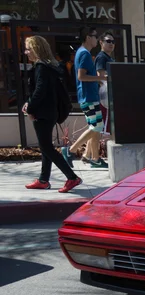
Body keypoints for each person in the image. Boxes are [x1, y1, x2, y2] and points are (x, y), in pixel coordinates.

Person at [22, 36, 82, 193]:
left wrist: (30, 108)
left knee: (46, 147)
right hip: (50, 112)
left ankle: (72, 177)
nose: (26, 52)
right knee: (45, 146)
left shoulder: (41, 67)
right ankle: (43, 179)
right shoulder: (49, 67)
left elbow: (39, 91)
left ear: (36, 49)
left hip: (43, 113)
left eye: (28, 48)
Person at [61, 26, 108, 168]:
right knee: (96, 126)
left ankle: (94, 158)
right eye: (95, 36)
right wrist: (100, 78)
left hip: (89, 96)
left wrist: (100, 80)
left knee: (96, 127)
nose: (97, 39)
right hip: (88, 97)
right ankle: (70, 150)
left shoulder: (83, 53)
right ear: (88, 37)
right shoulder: (84, 54)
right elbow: (81, 76)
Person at [81, 30, 115, 163]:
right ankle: (76, 150)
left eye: (113, 41)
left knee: (96, 128)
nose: (111, 44)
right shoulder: (102, 57)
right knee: (98, 128)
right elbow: (101, 77)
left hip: (104, 96)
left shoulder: (108, 57)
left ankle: (86, 155)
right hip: (104, 97)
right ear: (101, 42)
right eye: (108, 41)